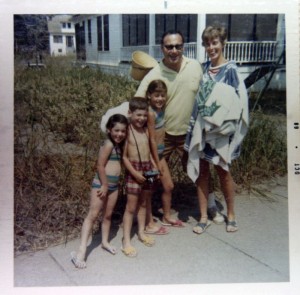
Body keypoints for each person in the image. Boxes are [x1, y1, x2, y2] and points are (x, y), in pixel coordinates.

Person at [135, 30, 224, 224]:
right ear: (162, 48)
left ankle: (211, 207)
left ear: (183, 47)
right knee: (150, 173)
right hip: (163, 136)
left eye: (178, 46)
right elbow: (137, 103)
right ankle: (142, 212)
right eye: (169, 47)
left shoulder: (195, 67)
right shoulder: (154, 73)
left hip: (191, 134)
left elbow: (208, 95)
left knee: (201, 171)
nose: (174, 50)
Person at [184, 25, 249, 234]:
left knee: (224, 172)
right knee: (202, 172)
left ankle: (231, 215)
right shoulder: (203, 69)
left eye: (215, 42)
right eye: (207, 43)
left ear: (223, 43)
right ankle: (204, 217)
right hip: (203, 131)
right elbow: (198, 100)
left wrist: (225, 126)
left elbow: (239, 103)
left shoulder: (231, 70)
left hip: (222, 133)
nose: (211, 47)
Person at [71, 114, 128, 268]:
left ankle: (104, 242)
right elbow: (100, 165)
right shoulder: (108, 144)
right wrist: (104, 185)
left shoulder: (119, 146)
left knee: (108, 216)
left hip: (114, 186)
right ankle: (81, 251)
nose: (119, 134)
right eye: (116, 130)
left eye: (123, 131)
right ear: (109, 129)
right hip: (101, 185)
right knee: (93, 215)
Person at [121, 97, 158, 257]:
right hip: (134, 170)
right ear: (130, 113)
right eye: (138, 115)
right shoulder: (127, 130)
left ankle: (141, 233)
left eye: (144, 115)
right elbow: (124, 157)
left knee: (143, 204)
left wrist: (154, 164)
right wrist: (134, 173)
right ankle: (126, 241)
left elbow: (148, 151)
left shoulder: (145, 130)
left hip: (147, 170)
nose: (142, 119)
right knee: (131, 208)